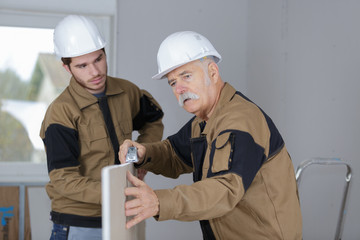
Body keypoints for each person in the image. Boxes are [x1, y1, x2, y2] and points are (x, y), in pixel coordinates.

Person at [119, 31, 302, 239]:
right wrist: (144, 153)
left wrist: (160, 202)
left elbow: (223, 189)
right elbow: (175, 153)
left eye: (186, 76)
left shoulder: (240, 120)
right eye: (172, 82)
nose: (179, 88)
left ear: (213, 72)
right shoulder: (204, 120)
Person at [40, 15, 164, 240]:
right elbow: (64, 180)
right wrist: (118, 192)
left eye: (98, 59)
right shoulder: (61, 112)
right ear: (67, 68)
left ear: (105, 53)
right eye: (82, 65)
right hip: (80, 224)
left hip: (125, 215)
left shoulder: (126, 92)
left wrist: (143, 154)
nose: (95, 72)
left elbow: (153, 120)